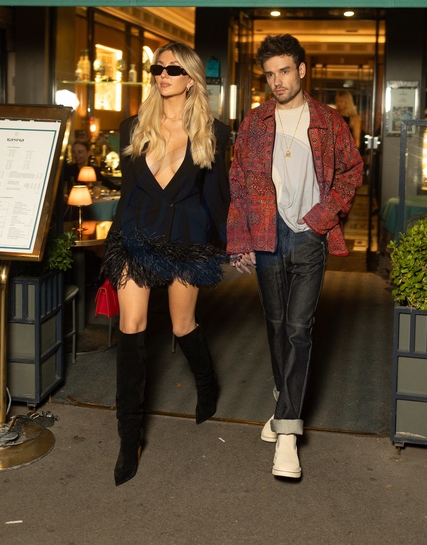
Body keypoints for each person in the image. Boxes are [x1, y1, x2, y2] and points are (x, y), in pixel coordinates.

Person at [227, 35, 363, 480]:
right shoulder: (255, 121)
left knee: (299, 328)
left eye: (284, 71)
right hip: (267, 233)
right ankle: (284, 400)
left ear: (302, 70)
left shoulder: (327, 120)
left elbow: (352, 170)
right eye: (270, 74)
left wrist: (324, 215)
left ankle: (287, 432)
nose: (277, 81)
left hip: (309, 235)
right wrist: (240, 239)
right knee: (276, 325)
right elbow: (238, 181)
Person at [101, 41, 230, 486]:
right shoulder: (133, 126)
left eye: (172, 70)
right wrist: (113, 245)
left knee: (181, 325)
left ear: (190, 79)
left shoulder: (214, 132)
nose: (162, 76)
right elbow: (128, 192)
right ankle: (128, 438)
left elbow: (216, 198)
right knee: (132, 326)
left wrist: (232, 244)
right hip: (135, 238)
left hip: (186, 241)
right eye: (157, 68)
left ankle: (207, 385)